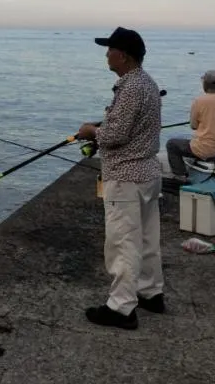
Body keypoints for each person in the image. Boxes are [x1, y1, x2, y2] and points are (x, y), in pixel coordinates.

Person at [74, 26, 164, 330]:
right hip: (147, 174)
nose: (106, 55)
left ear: (123, 56)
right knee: (147, 239)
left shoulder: (130, 87)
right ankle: (150, 292)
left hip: (126, 178)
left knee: (123, 243)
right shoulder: (147, 83)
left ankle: (121, 308)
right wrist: (104, 125)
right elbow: (129, 126)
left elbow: (115, 135)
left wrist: (91, 131)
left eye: (110, 49)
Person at [165, 70, 215, 182]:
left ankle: (180, 176)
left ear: (206, 84)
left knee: (172, 144)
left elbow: (193, 126)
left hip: (204, 150)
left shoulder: (199, 101)